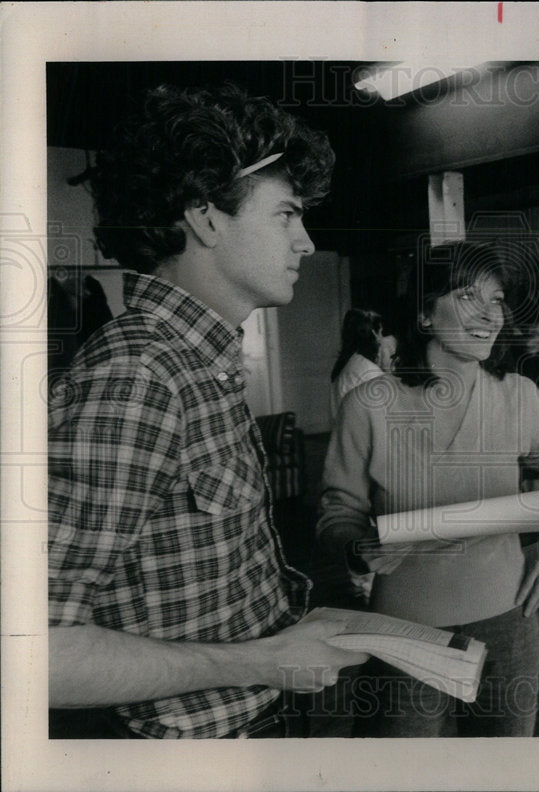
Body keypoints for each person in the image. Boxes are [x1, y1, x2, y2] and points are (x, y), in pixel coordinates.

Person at [47, 83, 368, 739]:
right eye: (286, 215)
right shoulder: (138, 379)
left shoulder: (199, 364)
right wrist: (258, 661)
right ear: (206, 218)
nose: (305, 241)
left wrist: (287, 631)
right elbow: (35, 651)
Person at [317, 241, 539, 737]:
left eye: (497, 299)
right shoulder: (370, 405)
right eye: (467, 296)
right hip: (404, 630)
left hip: (508, 621)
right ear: (423, 314)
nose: (490, 313)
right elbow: (337, 510)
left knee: (504, 776)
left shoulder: (516, 395)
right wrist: (356, 545)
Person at [329, 308, 397, 423]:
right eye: (381, 332)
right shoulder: (369, 371)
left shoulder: (348, 362)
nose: (382, 339)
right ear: (374, 334)